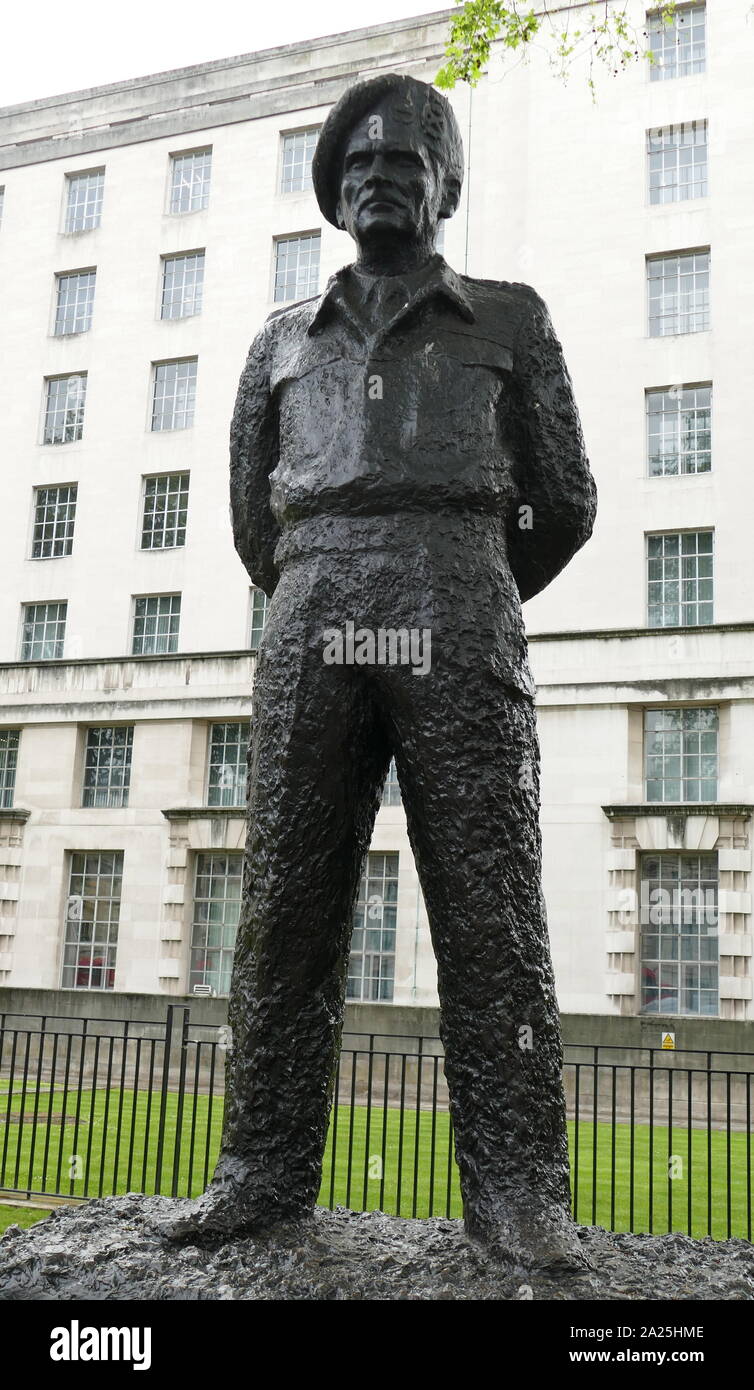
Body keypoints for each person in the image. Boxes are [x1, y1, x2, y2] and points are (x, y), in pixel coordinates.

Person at [165, 73, 597, 1269]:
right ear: (332, 190)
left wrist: (472, 589)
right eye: (354, 164)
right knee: (287, 911)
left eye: (402, 159)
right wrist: (322, 590)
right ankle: (259, 1170)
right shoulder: (275, 346)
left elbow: (562, 504)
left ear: (445, 182)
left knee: (490, 909)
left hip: (456, 605)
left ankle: (518, 1193)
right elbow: (253, 521)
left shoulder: (511, 320)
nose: (376, 178)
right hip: (313, 614)